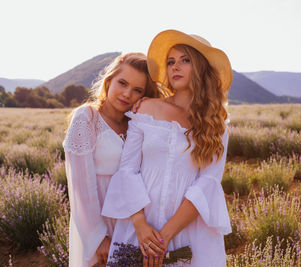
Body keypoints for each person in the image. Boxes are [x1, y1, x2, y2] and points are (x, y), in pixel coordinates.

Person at [102, 29, 233, 266]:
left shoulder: (217, 124)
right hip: (140, 228)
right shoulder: (146, 109)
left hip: (190, 234)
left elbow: (207, 184)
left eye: (185, 60)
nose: (175, 67)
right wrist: (141, 226)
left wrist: (164, 238)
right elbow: (128, 170)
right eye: (171, 62)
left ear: (201, 68)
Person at [63, 52, 164, 267]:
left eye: (137, 90)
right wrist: (98, 239)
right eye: (122, 83)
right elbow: (81, 188)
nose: (127, 94)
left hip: (135, 222)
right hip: (98, 221)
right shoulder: (87, 118)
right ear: (109, 80)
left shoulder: (137, 124)